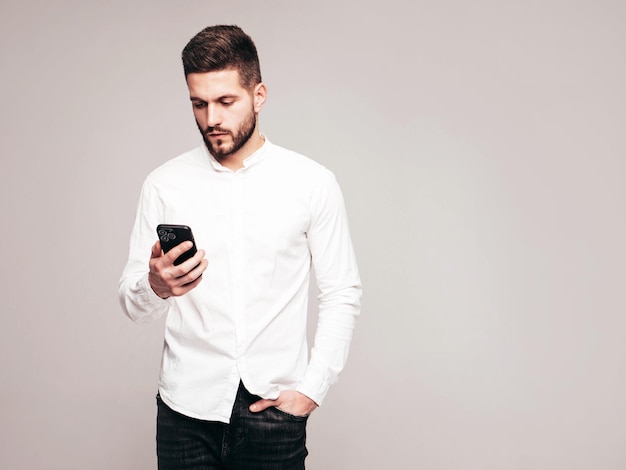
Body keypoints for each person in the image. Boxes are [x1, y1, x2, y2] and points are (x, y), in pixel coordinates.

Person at [119, 24, 361, 469]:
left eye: (226, 102)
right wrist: (156, 286)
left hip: (273, 413)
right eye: (199, 103)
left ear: (259, 96)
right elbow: (132, 305)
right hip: (184, 412)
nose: (211, 118)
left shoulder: (311, 183)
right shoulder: (164, 184)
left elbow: (342, 291)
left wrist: (313, 387)